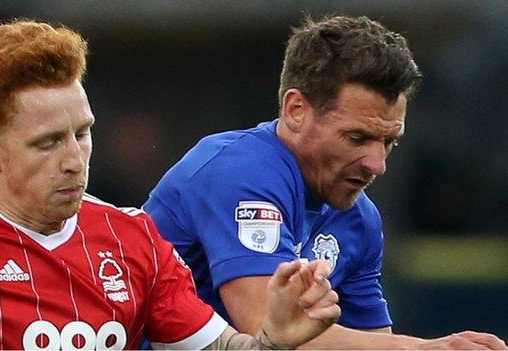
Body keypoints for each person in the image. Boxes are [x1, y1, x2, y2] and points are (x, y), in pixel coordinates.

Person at [0, 19, 341, 350]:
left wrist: (274, 341)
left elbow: (221, 349)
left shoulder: (132, 239)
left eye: (81, 133)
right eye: (47, 143)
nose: (73, 160)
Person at [143, 15, 507, 350]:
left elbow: (372, 345)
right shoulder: (238, 171)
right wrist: (425, 348)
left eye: (389, 142)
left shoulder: (360, 218)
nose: (377, 164)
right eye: (357, 138)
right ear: (296, 110)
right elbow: (270, 333)